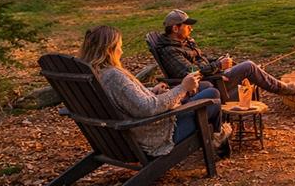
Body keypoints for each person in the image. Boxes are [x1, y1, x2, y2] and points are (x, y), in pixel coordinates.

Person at [79, 25, 231, 157]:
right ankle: (218, 138)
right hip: (154, 135)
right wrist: (183, 87)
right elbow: (149, 108)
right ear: (109, 50)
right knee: (212, 96)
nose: (122, 51)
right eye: (119, 46)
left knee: (204, 87)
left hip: (125, 133)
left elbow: (125, 96)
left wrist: (152, 90)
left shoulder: (97, 74)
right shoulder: (113, 75)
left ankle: (217, 136)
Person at [151, 9, 295, 98]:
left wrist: (218, 61)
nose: (191, 29)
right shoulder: (170, 51)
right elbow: (191, 73)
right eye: (187, 26)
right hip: (211, 85)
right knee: (249, 67)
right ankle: (283, 89)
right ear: (175, 29)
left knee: (253, 69)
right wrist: (217, 66)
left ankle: (278, 86)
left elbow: (200, 60)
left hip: (215, 76)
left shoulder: (184, 42)